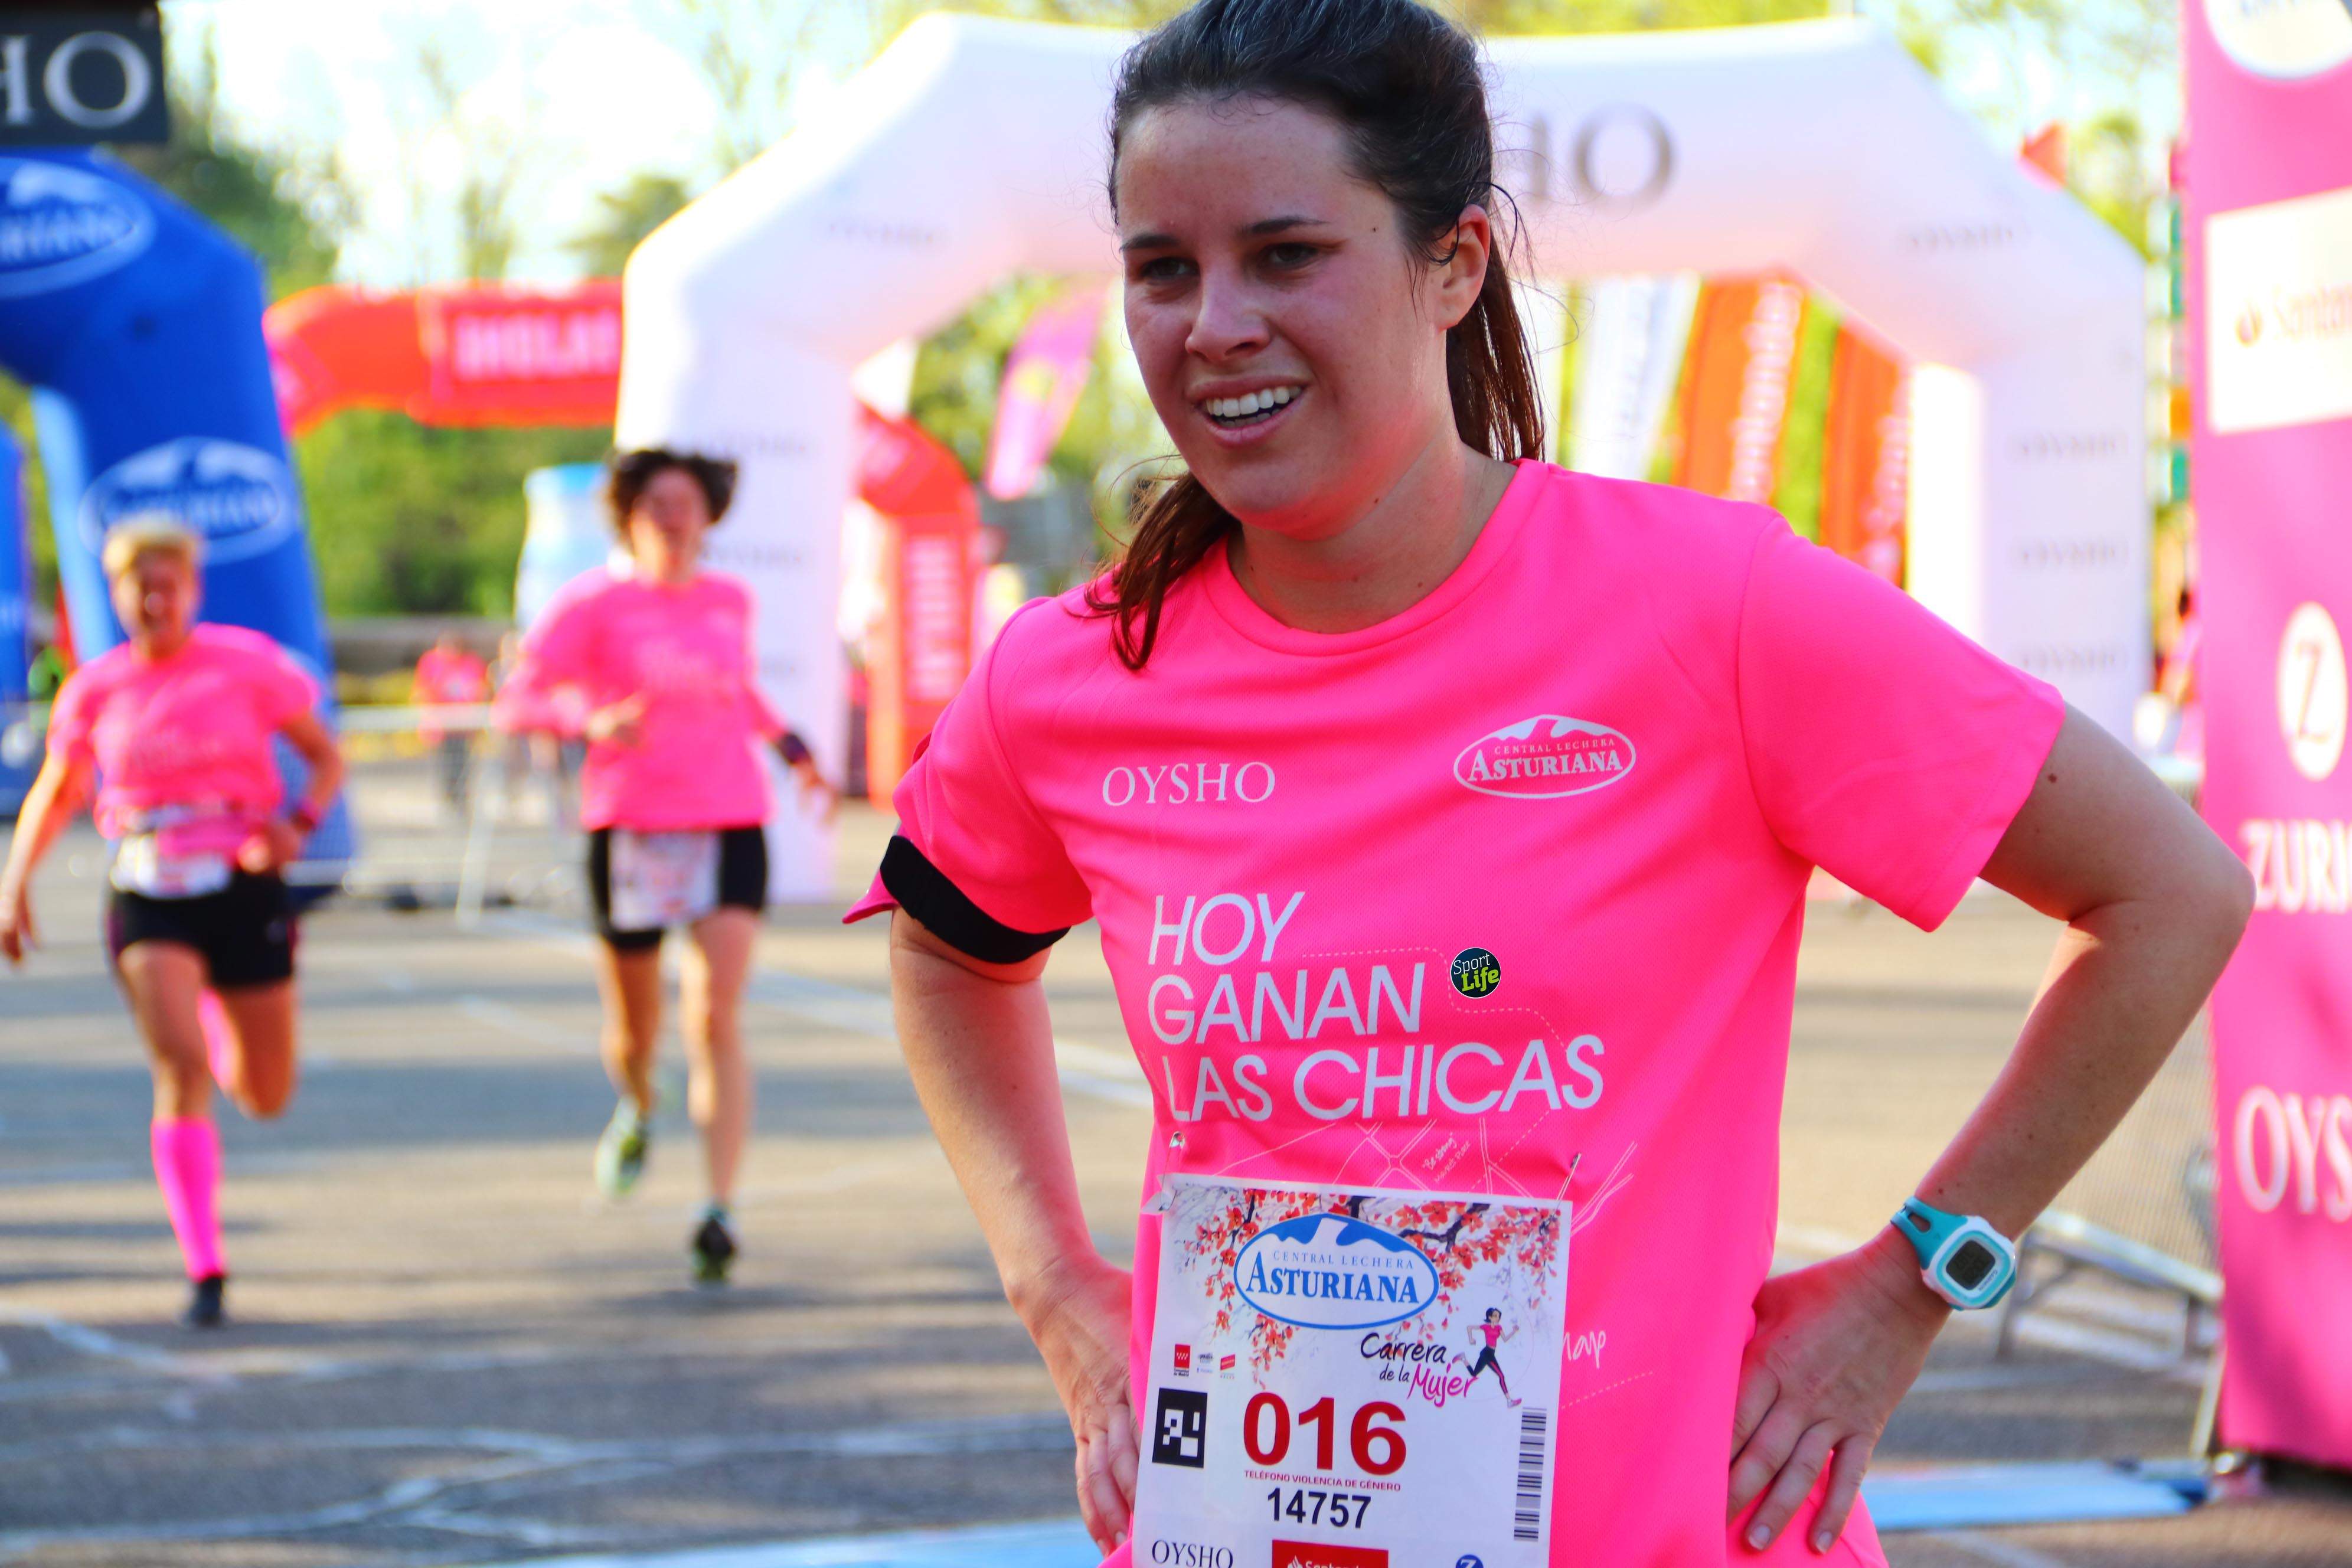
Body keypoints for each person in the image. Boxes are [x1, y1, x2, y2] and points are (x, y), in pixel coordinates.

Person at [850, 4, 2252, 1564]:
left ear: (1454, 263)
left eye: (1287, 253)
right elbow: (948, 953)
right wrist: (1056, 1289)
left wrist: (1911, 1286)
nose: (1215, 322)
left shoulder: (1708, 610)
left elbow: (2170, 891)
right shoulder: (1071, 678)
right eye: (1162, 268)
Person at [496, 447, 837, 1285]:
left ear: (709, 517)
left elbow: (741, 691)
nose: (675, 519)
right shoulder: (593, 605)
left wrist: (793, 750)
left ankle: (718, 1208)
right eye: (657, 505)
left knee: (715, 1018)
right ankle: (640, 1103)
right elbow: (524, 694)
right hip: (634, 830)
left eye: (688, 504)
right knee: (637, 1031)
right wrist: (588, 716)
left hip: (727, 820)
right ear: (629, 519)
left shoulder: (729, 600)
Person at [0, 515, 344, 1329]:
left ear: (192, 588)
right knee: (179, 1067)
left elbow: (326, 755)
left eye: (169, 584)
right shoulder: (97, 688)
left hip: (242, 881)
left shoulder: (245, 665)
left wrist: (298, 823)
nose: (154, 600)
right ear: (115, 594)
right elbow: (58, 790)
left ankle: (227, 1027)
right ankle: (205, 1264)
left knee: (264, 1093)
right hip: (149, 886)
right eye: (137, 586)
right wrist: (13, 884)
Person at [412, 631, 489, 815]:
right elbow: (422, 692)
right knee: (445, 764)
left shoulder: (471, 663)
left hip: (464, 726)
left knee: (464, 764)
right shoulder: (431, 663)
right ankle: (449, 800)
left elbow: (481, 690)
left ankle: (462, 800)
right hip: (442, 726)